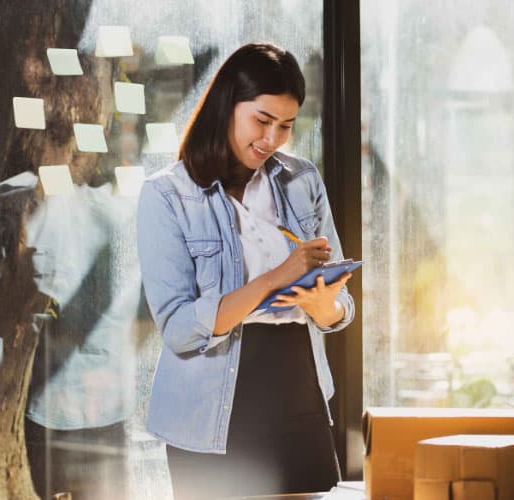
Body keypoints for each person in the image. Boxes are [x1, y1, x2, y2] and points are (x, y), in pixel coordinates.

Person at [136, 42, 355, 499]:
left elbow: (341, 307)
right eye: (262, 120)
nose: (272, 138)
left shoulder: (302, 180)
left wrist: (326, 307)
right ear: (226, 105)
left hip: (297, 384)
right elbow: (178, 329)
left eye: (286, 126)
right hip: (208, 398)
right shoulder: (167, 195)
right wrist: (278, 277)